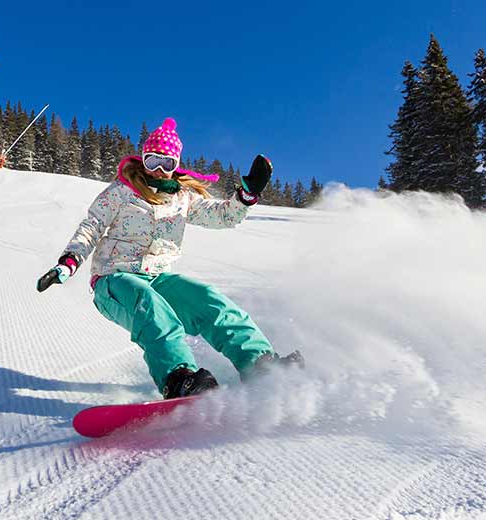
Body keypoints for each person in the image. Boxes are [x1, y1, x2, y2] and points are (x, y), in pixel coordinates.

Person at [37, 118, 302, 399]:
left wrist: (246, 197)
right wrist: (69, 261)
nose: (159, 171)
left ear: (176, 165)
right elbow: (91, 226)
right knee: (151, 307)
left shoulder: (182, 198)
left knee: (210, 301)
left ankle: (260, 364)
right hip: (114, 280)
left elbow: (222, 216)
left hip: (157, 277)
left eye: (167, 163)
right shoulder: (121, 191)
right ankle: (178, 377)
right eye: (152, 162)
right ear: (143, 160)